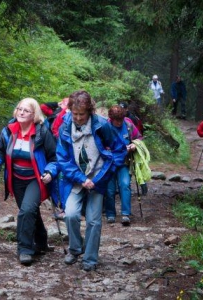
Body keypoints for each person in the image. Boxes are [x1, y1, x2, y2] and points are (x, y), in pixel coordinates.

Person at [0, 98, 58, 266]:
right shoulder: (9, 131)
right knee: (30, 210)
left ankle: (24, 249)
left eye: (26, 110)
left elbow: (54, 157)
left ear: (34, 115)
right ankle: (41, 240)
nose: (21, 112)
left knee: (26, 211)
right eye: (19, 109)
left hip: (36, 179)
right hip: (16, 179)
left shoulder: (42, 132)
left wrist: (50, 172)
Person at [56, 90, 115, 272]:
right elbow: (63, 159)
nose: (79, 118)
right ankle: (75, 249)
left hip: (98, 179)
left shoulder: (102, 125)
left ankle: (90, 258)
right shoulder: (64, 127)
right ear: (70, 111)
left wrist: (102, 175)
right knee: (71, 214)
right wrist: (81, 179)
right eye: (75, 114)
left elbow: (116, 150)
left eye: (82, 114)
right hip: (75, 179)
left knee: (93, 221)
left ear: (90, 111)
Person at [105, 105, 142, 226]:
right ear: (111, 118)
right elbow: (98, 144)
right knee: (109, 190)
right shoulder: (105, 127)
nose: (119, 123)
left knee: (125, 185)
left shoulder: (128, 125)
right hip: (109, 164)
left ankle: (125, 214)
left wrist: (134, 145)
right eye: (117, 121)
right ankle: (110, 214)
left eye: (121, 120)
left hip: (125, 162)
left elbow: (139, 138)